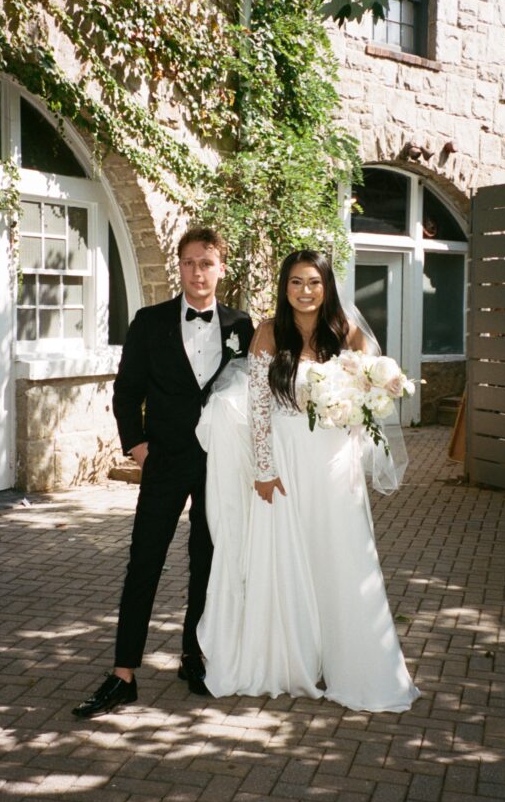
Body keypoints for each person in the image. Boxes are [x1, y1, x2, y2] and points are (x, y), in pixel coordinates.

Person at [196, 250, 420, 712]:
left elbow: (374, 389)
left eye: (313, 282)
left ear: (327, 286)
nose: (304, 291)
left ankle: (357, 665)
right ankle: (291, 661)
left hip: (335, 461)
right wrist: (263, 469)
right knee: (285, 559)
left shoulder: (347, 332)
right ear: (285, 287)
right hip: (285, 459)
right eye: (296, 282)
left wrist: (386, 383)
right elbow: (258, 405)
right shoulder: (266, 333)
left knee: (342, 556)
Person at [72, 226, 254, 718]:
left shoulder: (242, 325)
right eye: (191, 262)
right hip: (165, 460)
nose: (199, 272)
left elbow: (253, 395)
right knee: (144, 562)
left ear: (221, 269)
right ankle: (123, 673)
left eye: (208, 263)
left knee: (207, 560)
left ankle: (193, 656)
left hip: (219, 464)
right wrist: (137, 446)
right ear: (180, 267)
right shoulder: (149, 322)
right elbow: (127, 391)